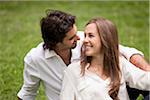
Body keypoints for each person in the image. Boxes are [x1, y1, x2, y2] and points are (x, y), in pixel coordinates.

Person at [17, 9, 149, 100]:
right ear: (56, 43)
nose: (81, 39)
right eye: (72, 38)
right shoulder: (36, 59)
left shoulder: (115, 61)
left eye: (88, 35)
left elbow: (121, 50)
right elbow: (27, 93)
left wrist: (143, 66)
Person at [60, 17, 150, 100]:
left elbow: (145, 80)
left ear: (105, 38)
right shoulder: (73, 71)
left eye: (90, 36)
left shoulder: (119, 63)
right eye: (85, 35)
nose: (85, 40)